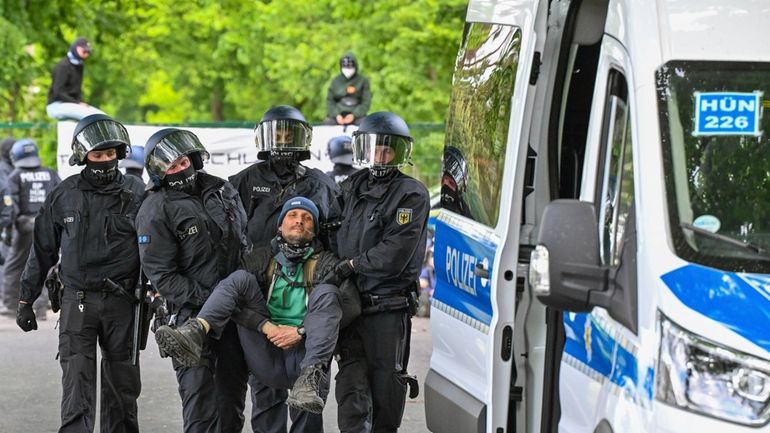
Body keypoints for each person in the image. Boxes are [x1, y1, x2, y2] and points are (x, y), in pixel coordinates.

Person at [155, 197, 354, 430]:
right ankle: (196, 330)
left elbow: (351, 305)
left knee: (329, 293)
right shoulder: (259, 258)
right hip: (264, 349)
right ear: (280, 225)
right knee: (239, 280)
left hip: (306, 356)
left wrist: (301, 331)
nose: (299, 221)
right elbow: (235, 305)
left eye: (307, 218)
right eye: (292, 215)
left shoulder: (328, 262)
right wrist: (266, 326)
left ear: (314, 230)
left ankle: (310, 380)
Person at [16, 114, 145, 432]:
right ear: (83, 156)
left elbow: (155, 248)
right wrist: (25, 299)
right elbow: (42, 249)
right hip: (77, 302)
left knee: (123, 389)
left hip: (124, 303)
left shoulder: (137, 191)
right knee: (77, 386)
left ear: (120, 153)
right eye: (97, 155)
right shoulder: (64, 194)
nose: (104, 161)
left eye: (110, 154)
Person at [229, 104, 343, 433]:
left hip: (306, 296)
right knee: (265, 393)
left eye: (290, 134)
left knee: (309, 391)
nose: (283, 141)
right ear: (263, 137)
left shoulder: (320, 183)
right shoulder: (243, 181)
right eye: (277, 134)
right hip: (262, 296)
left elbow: (335, 238)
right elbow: (230, 238)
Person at [135, 128, 249, 433]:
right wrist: (213, 300)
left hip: (234, 316)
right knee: (199, 401)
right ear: (160, 173)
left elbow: (243, 244)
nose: (180, 170)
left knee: (232, 399)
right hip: (187, 317)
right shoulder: (154, 208)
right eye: (171, 167)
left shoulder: (223, 190)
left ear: (194, 159)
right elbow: (162, 275)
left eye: (183, 161)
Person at [334, 111, 430, 433]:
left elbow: (395, 253)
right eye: (375, 148)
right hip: (350, 307)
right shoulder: (351, 185)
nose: (380, 155)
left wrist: (351, 265)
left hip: (387, 310)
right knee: (350, 390)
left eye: (388, 149)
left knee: (385, 394)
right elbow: (331, 230)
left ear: (400, 153)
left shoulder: (411, 193)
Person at [1, 139, 61, 320]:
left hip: (24, 227)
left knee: (13, 266)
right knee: (46, 265)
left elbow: (11, 204)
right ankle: (41, 308)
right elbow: (60, 197)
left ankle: (11, 305)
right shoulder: (50, 174)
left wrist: (10, 228)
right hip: (46, 226)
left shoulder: (16, 175)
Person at [46, 37, 106, 120]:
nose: (86, 54)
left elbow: (77, 91)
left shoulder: (79, 66)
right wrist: (77, 103)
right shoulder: (63, 66)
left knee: (102, 116)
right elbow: (58, 92)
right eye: (84, 51)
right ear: (75, 48)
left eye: (88, 52)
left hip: (72, 104)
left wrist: (79, 102)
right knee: (93, 116)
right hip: (56, 105)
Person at [324, 53, 372, 126]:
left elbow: (366, 102)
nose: (347, 69)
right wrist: (336, 115)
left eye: (350, 67)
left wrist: (354, 115)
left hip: (357, 115)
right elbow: (330, 101)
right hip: (338, 114)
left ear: (355, 66)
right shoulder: (335, 81)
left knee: (365, 124)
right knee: (328, 123)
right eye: (345, 67)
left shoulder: (363, 81)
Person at [0, 137, 16, 317]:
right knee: (7, 262)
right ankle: (7, 299)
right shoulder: (4, 169)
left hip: (9, 221)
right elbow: (7, 196)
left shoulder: (10, 167)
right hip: (6, 222)